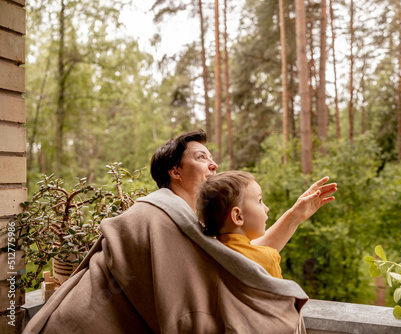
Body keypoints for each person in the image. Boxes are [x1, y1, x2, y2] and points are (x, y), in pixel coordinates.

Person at [24, 129, 337, 334]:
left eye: (212, 159)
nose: (213, 165)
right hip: (82, 324)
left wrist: (296, 215)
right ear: (175, 171)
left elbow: (243, 263)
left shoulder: (192, 227)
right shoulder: (154, 215)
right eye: (201, 157)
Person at [198, 171, 336, 280]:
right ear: (238, 216)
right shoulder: (268, 259)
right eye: (259, 201)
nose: (266, 208)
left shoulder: (205, 256)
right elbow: (281, 306)